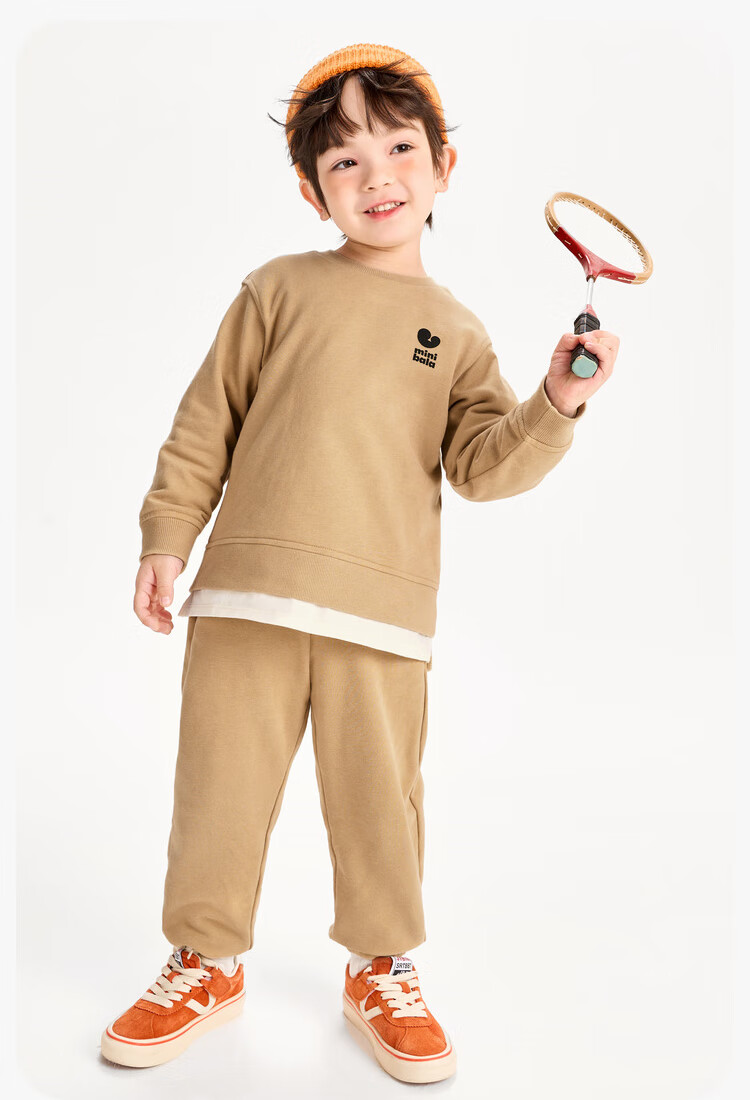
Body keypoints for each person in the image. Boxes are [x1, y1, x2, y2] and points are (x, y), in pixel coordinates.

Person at [100, 43, 618, 1083]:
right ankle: (205, 960)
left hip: (380, 618)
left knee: (381, 803)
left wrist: (557, 401)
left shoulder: (457, 333)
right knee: (217, 789)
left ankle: (382, 965)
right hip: (244, 597)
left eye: (399, 148)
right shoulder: (277, 289)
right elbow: (205, 425)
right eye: (344, 160)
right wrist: (168, 534)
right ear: (312, 190)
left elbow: (482, 466)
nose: (376, 175)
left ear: (443, 168)